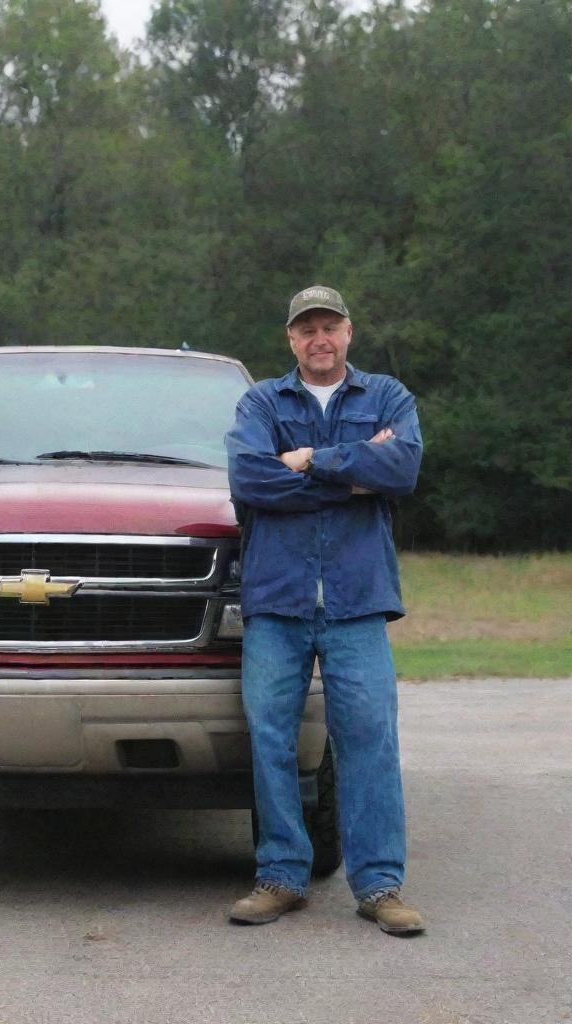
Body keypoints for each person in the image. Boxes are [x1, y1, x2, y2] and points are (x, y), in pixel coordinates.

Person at [224, 285, 425, 935]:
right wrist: (354, 478)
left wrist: (315, 459)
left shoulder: (388, 397)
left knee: (369, 740)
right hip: (277, 601)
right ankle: (282, 875)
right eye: (305, 328)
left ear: (348, 332)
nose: (319, 338)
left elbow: (403, 469)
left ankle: (379, 886)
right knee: (272, 740)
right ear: (291, 339)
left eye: (329, 326)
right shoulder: (261, 401)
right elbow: (249, 478)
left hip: (357, 600)